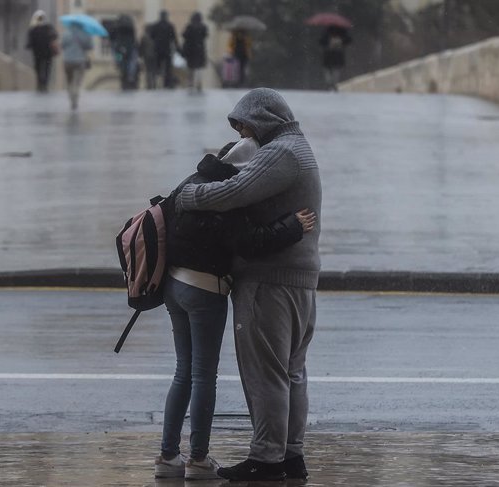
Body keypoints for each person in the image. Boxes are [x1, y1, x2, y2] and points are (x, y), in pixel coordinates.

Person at [175, 88, 322, 482]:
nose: (242, 134)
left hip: (269, 281)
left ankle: (266, 459)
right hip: (301, 279)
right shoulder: (301, 148)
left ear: (262, 120)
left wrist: (187, 196)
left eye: (244, 125)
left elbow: (233, 192)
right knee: (292, 373)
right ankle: (291, 457)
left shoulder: (281, 153)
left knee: (266, 373)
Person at [60, 22, 92, 110]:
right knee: (77, 81)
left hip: (68, 61)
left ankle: (71, 97)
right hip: (80, 60)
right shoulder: (85, 34)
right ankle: (75, 96)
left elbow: (62, 45)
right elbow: (90, 46)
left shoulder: (66, 33)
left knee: (69, 81)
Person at [26, 10, 58, 92]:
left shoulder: (33, 29)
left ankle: (40, 83)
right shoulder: (48, 27)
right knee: (47, 69)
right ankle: (45, 84)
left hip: (37, 53)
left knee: (38, 68)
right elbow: (55, 36)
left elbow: (29, 42)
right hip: (48, 53)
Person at [181, 12, 208, 93]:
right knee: (199, 68)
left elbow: (184, 35)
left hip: (191, 51)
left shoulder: (189, 27)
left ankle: (190, 83)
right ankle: (199, 83)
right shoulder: (203, 27)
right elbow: (205, 35)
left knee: (191, 68)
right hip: (200, 51)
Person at [151, 10, 179, 88]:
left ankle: (157, 81)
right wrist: (177, 48)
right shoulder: (170, 26)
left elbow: (151, 36)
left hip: (157, 49)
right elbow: (174, 39)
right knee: (168, 68)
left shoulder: (155, 26)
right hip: (167, 50)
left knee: (157, 67)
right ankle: (167, 83)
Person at [320, 26, 351, 91]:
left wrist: (340, 41)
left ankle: (332, 84)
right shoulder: (329, 31)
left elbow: (321, 41)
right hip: (332, 55)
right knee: (332, 70)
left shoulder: (328, 31)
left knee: (334, 70)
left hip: (334, 55)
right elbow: (322, 41)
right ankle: (331, 83)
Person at [138, 25, 157, 89]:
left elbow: (141, 47)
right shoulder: (154, 37)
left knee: (148, 70)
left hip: (147, 56)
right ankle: (154, 84)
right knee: (153, 70)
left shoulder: (144, 37)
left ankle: (149, 84)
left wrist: (140, 55)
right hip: (154, 55)